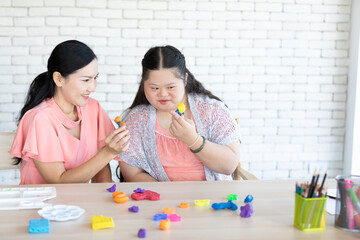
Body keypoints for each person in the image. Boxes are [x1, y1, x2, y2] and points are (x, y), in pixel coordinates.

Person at [9, 40, 130, 185]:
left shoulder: (93, 108)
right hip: (43, 204)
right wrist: (109, 152)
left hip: (80, 202)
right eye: (85, 80)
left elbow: (101, 168)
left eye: (95, 78)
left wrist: (105, 196)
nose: (92, 87)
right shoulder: (40, 118)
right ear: (59, 79)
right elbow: (58, 181)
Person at [118, 45, 240, 182]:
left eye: (171, 87)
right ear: (143, 83)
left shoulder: (212, 110)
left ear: (185, 79)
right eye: (154, 88)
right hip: (161, 200)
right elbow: (132, 173)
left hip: (213, 199)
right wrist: (166, 196)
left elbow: (229, 166)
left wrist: (193, 140)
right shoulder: (136, 119)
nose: (163, 94)